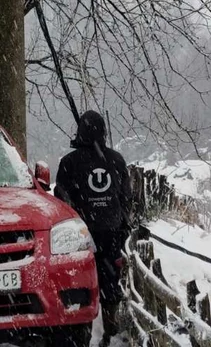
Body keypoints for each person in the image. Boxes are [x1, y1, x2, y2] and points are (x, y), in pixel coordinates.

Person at [55, 111, 133, 347]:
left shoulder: (69, 163)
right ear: (104, 132)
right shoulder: (116, 161)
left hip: (81, 236)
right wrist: (122, 225)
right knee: (110, 283)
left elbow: (61, 201)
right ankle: (111, 330)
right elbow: (126, 198)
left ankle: (82, 334)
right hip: (112, 234)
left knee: (80, 286)